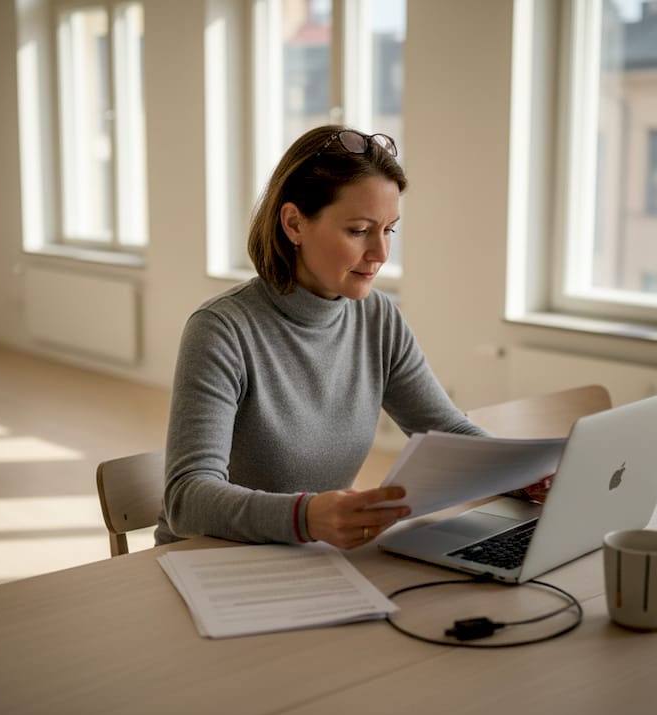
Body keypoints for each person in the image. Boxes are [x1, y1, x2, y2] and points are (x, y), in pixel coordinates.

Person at [154, 125, 488, 550]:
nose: (381, 254)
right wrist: (307, 517)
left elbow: (445, 431)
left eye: (389, 230)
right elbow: (186, 499)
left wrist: (528, 474)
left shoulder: (378, 317)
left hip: (303, 556)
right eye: (359, 230)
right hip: (209, 558)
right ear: (294, 223)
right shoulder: (222, 329)